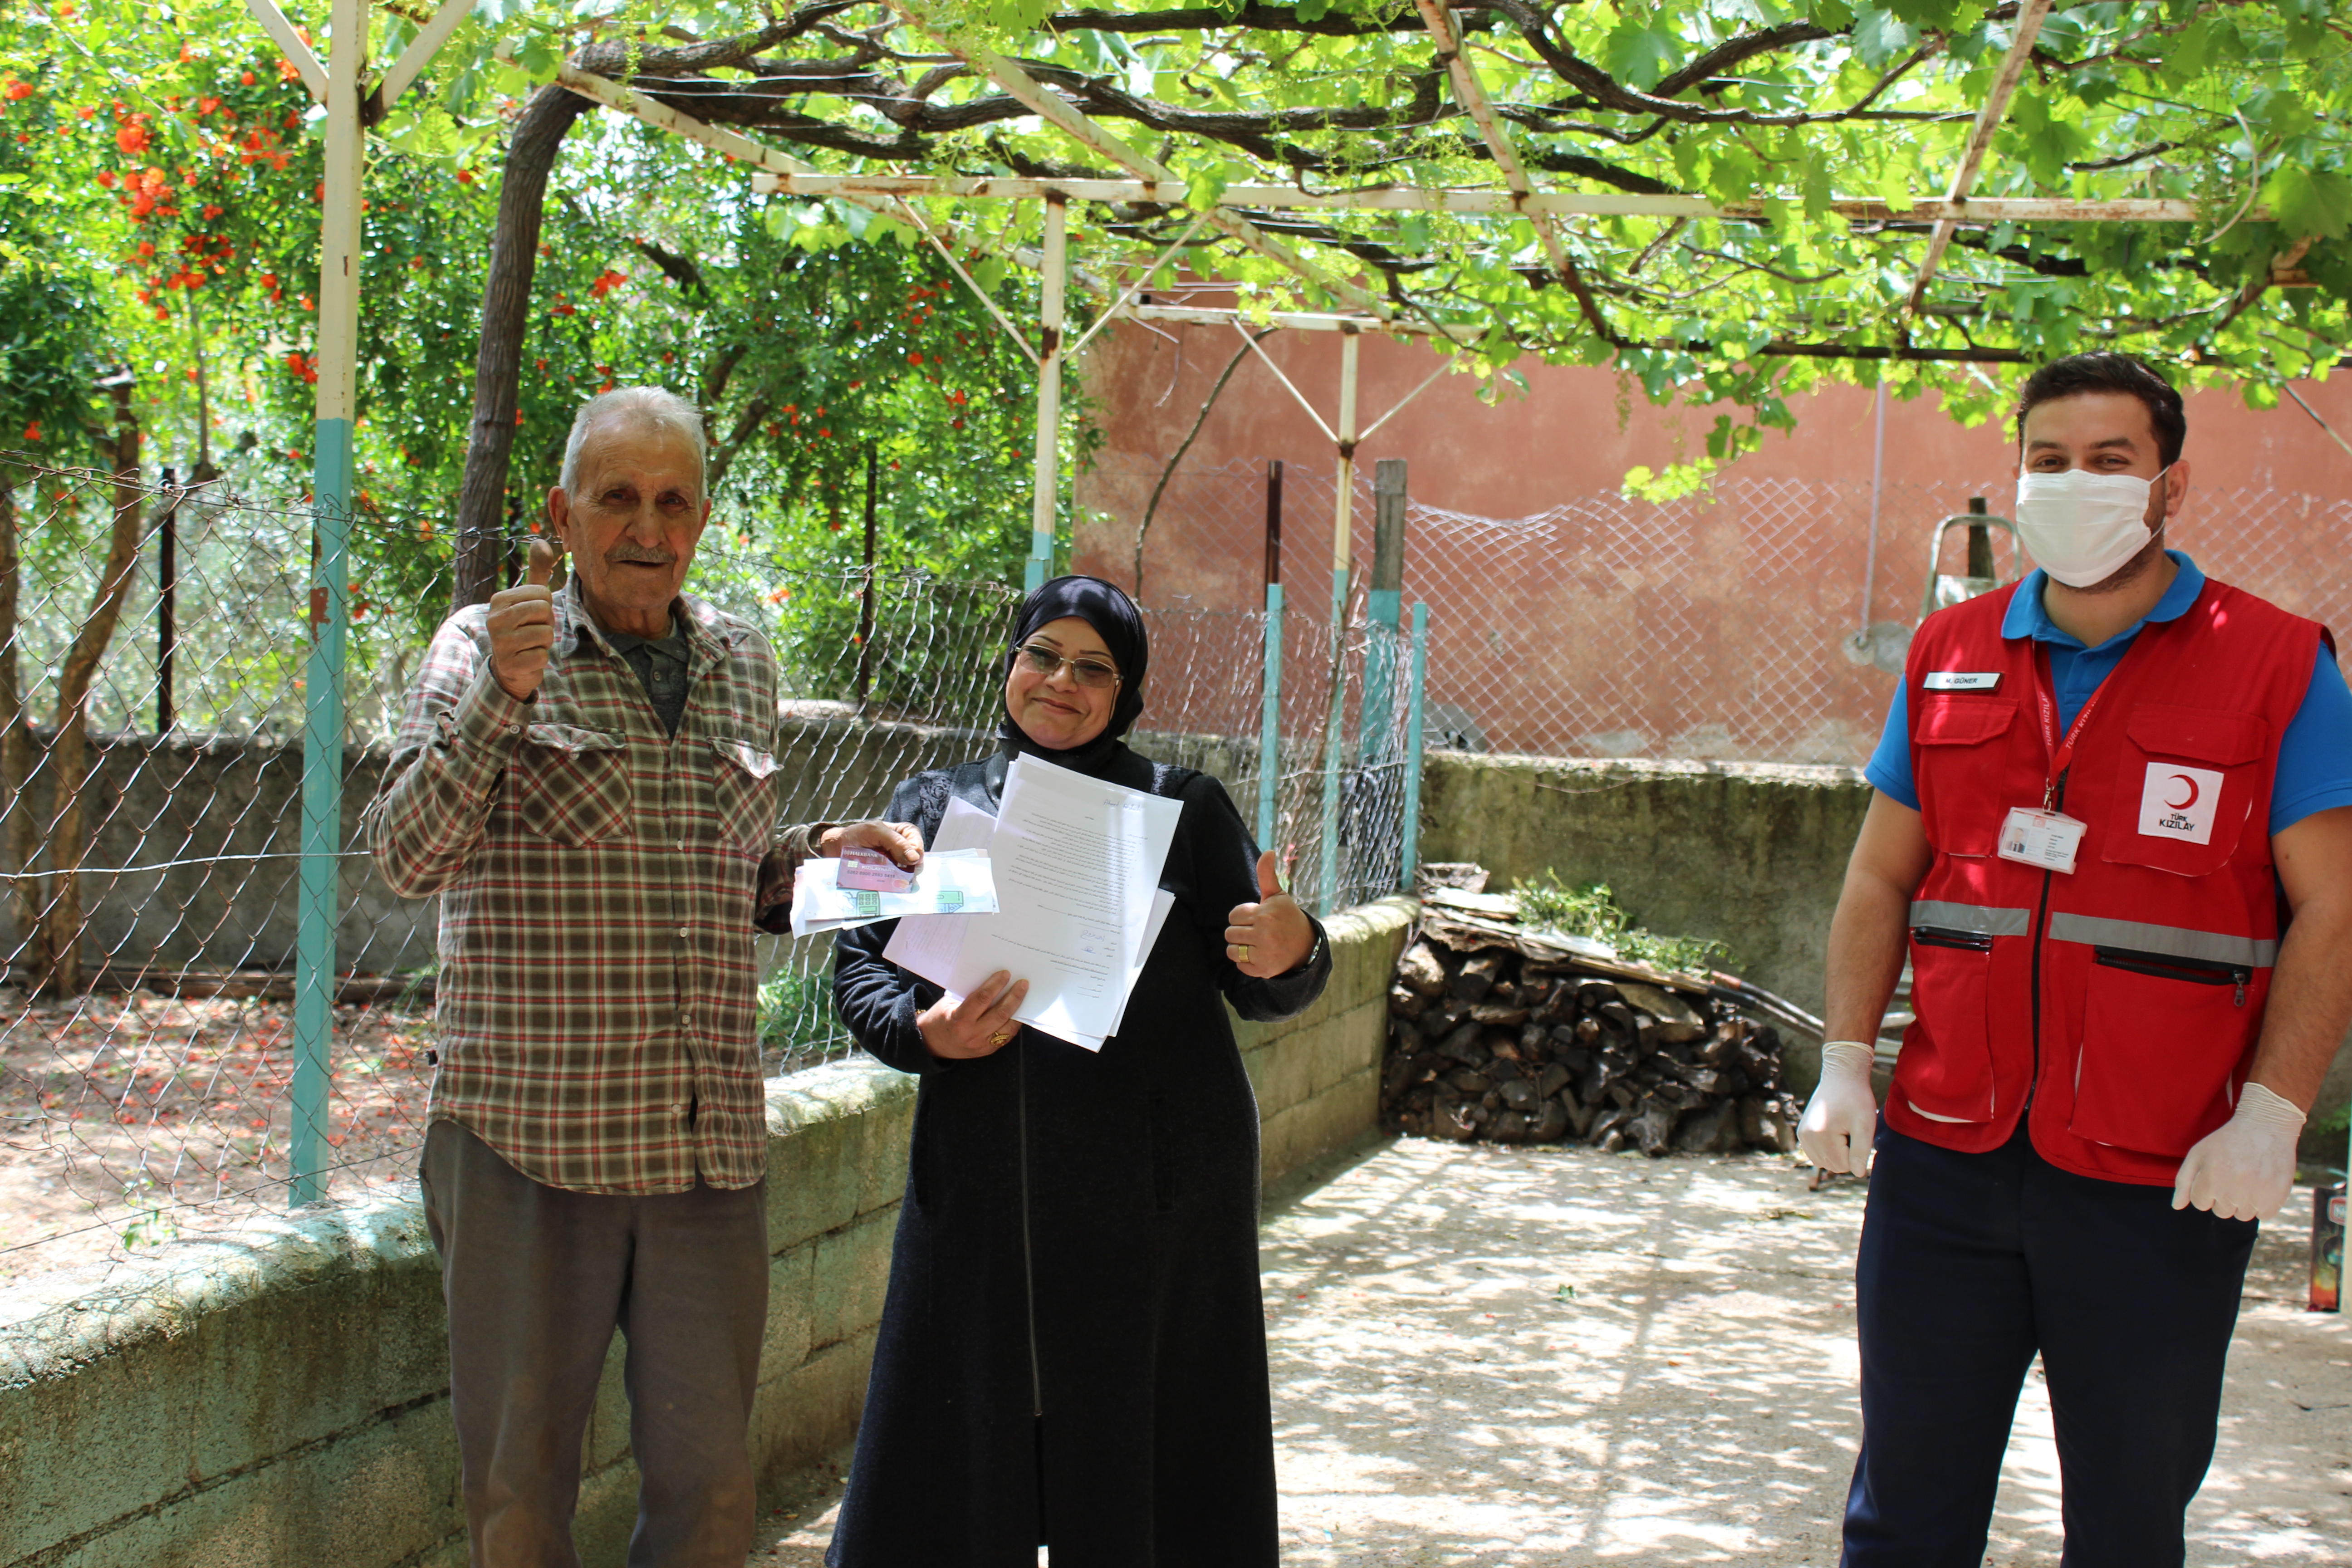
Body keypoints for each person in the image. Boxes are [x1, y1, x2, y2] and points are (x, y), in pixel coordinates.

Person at [1800, 351, 2352, 1566]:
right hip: (1945, 1162)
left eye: (2112, 461)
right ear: (2015, 479)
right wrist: (1845, 1060)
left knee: (2126, 1517)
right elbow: (1882, 874)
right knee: (1904, 1511)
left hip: (2161, 1180)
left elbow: (2336, 907)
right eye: (2049, 461)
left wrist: (2273, 1114)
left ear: (2173, 484)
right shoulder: (1948, 652)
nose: (2076, 483)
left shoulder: (2273, 662)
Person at [366, 386, 919, 1567]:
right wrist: (496, 707)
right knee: (519, 1501)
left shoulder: (740, 661)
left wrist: (823, 862)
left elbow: (727, 882)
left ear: (705, 519)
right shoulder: (483, 648)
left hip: (703, 1150)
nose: (647, 527)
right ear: (564, 516)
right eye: (618, 497)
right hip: (529, 1146)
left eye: (673, 500)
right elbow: (404, 859)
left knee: (713, 1500)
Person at [825, 574, 1331, 1567]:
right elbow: (856, 970)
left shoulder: (1183, 809)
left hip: (1153, 1205)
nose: (1063, 681)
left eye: (1094, 667)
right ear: (1010, 665)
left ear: (1128, 691)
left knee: (1146, 1458)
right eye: (1042, 655)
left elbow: (1270, 981)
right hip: (982, 1200)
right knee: (961, 1440)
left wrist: (1298, 947)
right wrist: (924, 1033)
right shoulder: (927, 807)